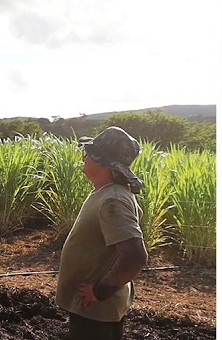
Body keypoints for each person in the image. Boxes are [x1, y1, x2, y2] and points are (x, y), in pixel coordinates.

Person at [56, 127, 148, 340]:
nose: (85, 158)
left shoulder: (112, 199)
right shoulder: (105, 192)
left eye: (88, 154)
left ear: (102, 162)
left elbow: (135, 256)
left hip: (96, 309)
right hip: (90, 307)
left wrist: (99, 291)